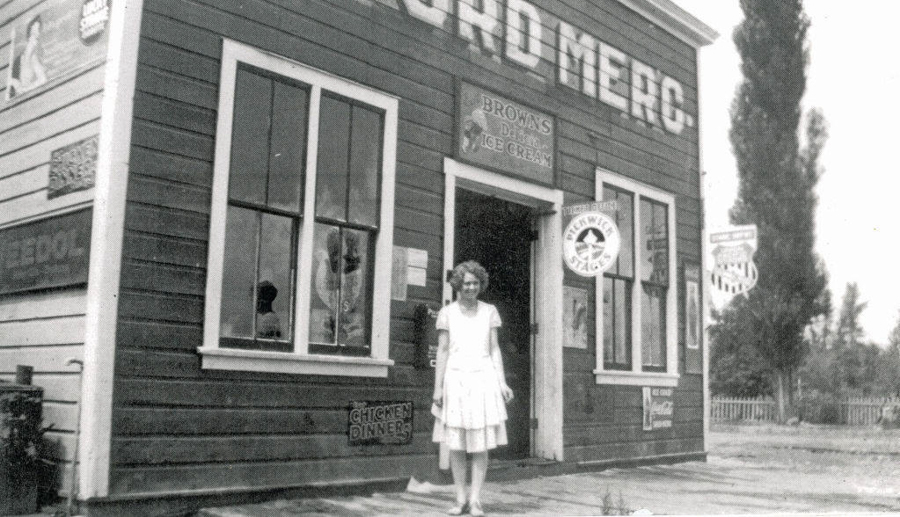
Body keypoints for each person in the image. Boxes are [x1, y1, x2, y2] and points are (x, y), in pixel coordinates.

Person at [432, 260, 514, 516]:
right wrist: (438, 389)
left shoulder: (489, 311)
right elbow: (443, 351)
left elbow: (494, 350)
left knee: (480, 444)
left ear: (481, 284)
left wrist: (502, 382)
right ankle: (459, 498)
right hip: (455, 379)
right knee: (456, 443)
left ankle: (476, 499)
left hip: (482, 379)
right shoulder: (448, 313)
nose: (471, 287)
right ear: (458, 285)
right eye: (466, 283)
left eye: (475, 283)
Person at [8, 14, 48, 98]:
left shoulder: (34, 59)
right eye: (33, 34)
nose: (34, 42)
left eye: (37, 33)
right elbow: (11, 81)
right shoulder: (18, 59)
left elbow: (42, 79)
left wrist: (25, 89)